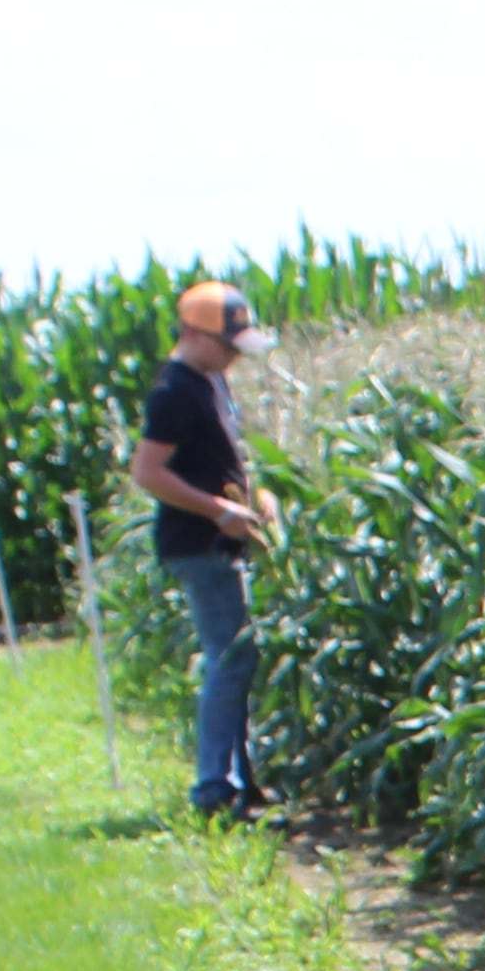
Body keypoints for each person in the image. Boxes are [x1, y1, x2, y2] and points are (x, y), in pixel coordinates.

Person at [131, 280, 278, 821]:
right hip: (198, 544)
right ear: (193, 333)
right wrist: (218, 510)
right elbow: (148, 473)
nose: (234, 355)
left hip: (222, 538)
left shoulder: (211, 382)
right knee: (229, 658)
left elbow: (225, 459)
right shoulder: (174, 391)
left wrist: (255, 496)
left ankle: (242, 780)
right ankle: (214, 789)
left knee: (239, 658)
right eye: (226, 344)